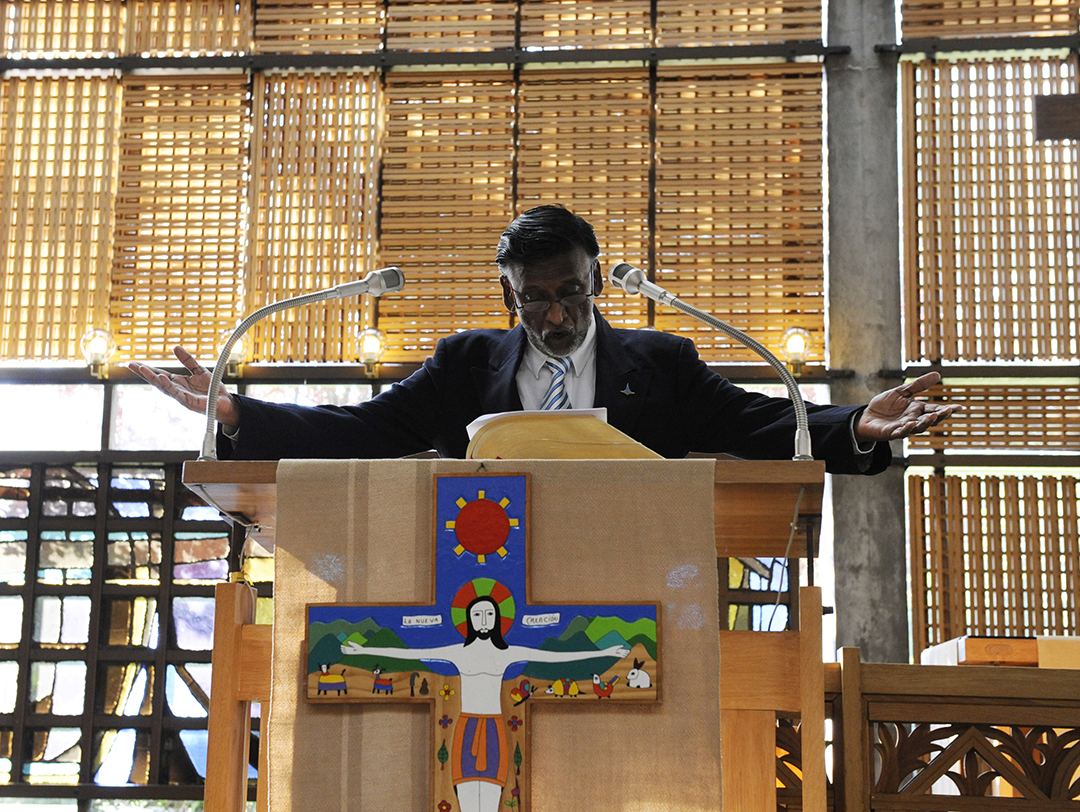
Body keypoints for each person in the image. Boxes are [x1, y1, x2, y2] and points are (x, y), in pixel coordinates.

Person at [128, 205, 959, 470]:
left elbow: (758, 423)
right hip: (478, 596)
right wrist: (238, 412)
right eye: (534, 301)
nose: (556, 315)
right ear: (509, 294)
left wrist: (851, 422)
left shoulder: (661, 364)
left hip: (634, 596)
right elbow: (366, 429)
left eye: (569, 293)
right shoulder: (463, 364)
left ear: (597, 277)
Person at [339, 594, 629, 812]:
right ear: (468, 620)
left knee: (491, 802)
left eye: (489, 614)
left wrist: (602, 653)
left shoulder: (507, 653)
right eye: (477, 614)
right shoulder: (458, 652)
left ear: (497, 619)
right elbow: (410, 653)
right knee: (466, 800)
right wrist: (363, 649)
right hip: (466, 730)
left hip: (493, 731)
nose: (483, 619)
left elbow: (554, 657)